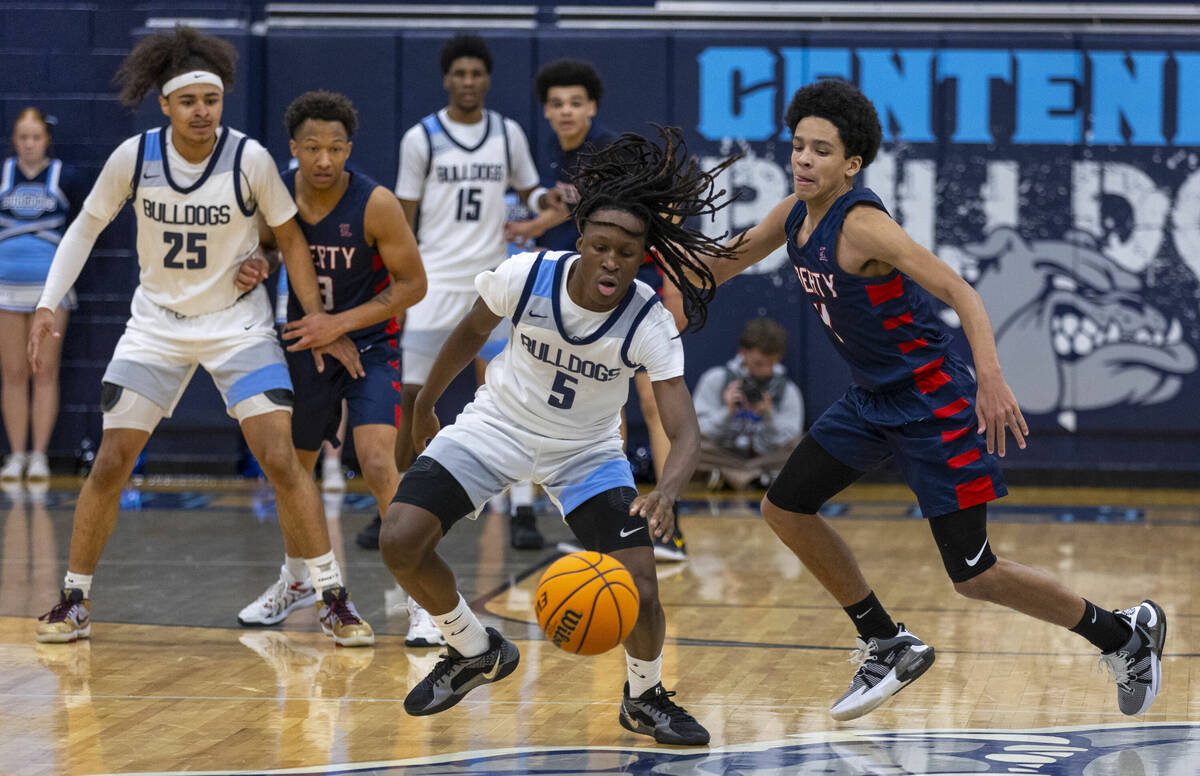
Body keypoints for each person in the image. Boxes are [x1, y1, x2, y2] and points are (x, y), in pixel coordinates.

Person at [689, 77, 1166, 720]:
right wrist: (647, 254)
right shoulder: (792, 215)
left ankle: (1122, 635)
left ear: (852, 163)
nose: (803, 159)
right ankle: (885, 640)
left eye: (821, 150)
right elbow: (714, 266)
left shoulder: (865, 226)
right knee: (785, 507)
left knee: (976, 576)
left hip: (931, 403)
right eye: (798, 145)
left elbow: (963, 292)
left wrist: (991, 379)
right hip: (871, 402)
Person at [377, 127, 741, 744]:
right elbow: (467, 335)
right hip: (497, 426)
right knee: (399, 540)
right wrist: (425, 406)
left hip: (587, 454)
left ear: (641, 254)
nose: (611, 262)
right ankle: (472, 649)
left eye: (626, 253)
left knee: (642, 588)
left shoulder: (648, 318)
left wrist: (668, 492)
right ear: (581, 241)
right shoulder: (527, 275)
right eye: (600, 247)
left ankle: (645, 697)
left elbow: (684, 431)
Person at [30, 26, 374, 647]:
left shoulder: (249, 159)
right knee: (110, 462)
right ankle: (75, 599)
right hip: (156, 328)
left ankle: (332, 596)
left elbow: (290, 238)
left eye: (210, 100)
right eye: (188, 101)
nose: (200, 111)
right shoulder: (134, 158)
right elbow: (83, 227)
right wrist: (48, 303)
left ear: (222, 103)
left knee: (279, 457)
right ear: (165, 104)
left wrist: (314, 318)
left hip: (237, 326)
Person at [234, 90, 442, 646]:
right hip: (307, 345)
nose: (323, 160)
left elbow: (414, 286)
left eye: (334, 148)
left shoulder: (376, 203)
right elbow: (259, 247)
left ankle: (422, 596)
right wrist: (258, 262)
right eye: (311, 148)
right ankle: (297, 580)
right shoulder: (274, 194)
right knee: (291, 469)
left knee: (377, 461)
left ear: (349, 148)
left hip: (370, 343)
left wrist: (341, 325)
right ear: (293, 148)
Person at [355, 33, 561, 552]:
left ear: (487, 79)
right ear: (447, 79)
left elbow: (528, 189)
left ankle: (520, 509)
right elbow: (402, 216)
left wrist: (548, 198)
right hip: (435, 280)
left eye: (476, 73)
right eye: (460, 73)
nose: (468, 81)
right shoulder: (421, 137)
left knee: (512, 396)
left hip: (494, 282)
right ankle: (395, 504)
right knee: (414, 397)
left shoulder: (508, 133)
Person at [508, 59, 689, 561]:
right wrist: (537, 223)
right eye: (557, 103)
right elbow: (567, 212)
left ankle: (667, 527)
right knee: (607, 412)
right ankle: (622, 524)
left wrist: (672, 289)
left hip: (634, 289)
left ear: (591, 107)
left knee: (654, 404)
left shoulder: (612, 149)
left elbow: (667, 207)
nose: (566, 111)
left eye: (575, 102)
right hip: (577, 297)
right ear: (546, 110)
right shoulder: (544, 155)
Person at [0, 108, 81, 482]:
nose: (29, 144)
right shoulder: (3, 176)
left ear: (46, 140)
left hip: (50, 290)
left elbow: (83, 232)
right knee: (13, 372)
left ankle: (39, 456)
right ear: (14, 140)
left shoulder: (67, 177)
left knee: (44, 370)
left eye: (35, 137)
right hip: (4, 289)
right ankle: (16, 456)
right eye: (22, 138)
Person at [693, 317, 803, 490]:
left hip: (764, 457)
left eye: (771, 364)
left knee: (801, 448)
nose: (765, 371)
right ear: (742, 353)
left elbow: (790, 436)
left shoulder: (788, 390)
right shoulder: (716, 379)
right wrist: (727, 412)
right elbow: (696, 430)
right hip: (724, 453)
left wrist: (768, 416)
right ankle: (759, 477)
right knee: (689, 446)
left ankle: (731, 476)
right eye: (758, 364)